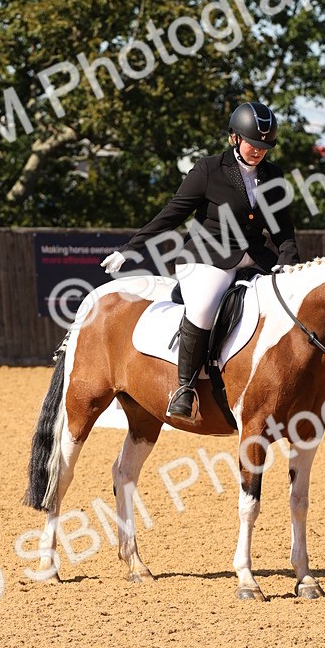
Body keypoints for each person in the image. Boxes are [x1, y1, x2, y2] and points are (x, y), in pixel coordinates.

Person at [101, 101, 301, 420]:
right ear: (234, 138)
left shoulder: (273, 176)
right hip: (207, 258)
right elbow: (173, 213)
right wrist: (130, 248)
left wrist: (290, 261)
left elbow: (282, 228)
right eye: (253, 143)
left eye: (265, 146)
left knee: (286, 304)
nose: (258, 151)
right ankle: (185, 388)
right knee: (205, 308)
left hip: (255, 258)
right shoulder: (209, 169)